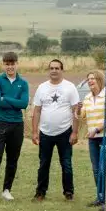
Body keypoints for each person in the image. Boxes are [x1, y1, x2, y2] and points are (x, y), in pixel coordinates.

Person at [0, 52, 29, 204]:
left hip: (17, 125)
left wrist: (6, 98)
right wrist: (14, 101)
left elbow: (24, 104)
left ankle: (7, 190)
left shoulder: (23, 83)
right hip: (0, 124)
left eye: (12, 64)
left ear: (17, 64)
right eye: (7, 64)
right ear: (3, 65)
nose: (10, 67)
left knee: (12, 159)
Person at [31, 59, 80, 201]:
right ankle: (40, 192)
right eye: (51, 68)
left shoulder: (70, 87)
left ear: (62, 70)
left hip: (65, 132)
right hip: (45, 133)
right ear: (49, 70)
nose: (54, 71)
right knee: (43, 164)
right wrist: (34, 132)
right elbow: (37, 111)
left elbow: (76, 111)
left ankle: (68, 192)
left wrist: (75, 132)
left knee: (66, 164)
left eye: (57, 68)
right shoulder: (42, 88)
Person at [80, 69, 106, 209]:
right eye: (88, 79)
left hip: (105, 136)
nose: (90, 81)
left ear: (100, 80)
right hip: (92, 138)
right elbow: (83, 116)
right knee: (96, 169)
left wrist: (97, 129)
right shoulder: (87, 98)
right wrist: (77, 110)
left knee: (104, 169)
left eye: (93, 78)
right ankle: (100, 197)